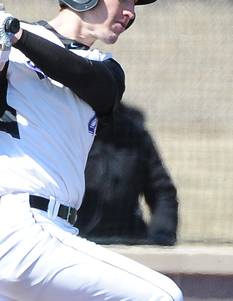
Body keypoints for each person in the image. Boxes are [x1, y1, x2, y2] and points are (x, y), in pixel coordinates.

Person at [0, 0, 186, 301]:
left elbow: (79, 74)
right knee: (163, 300)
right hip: (20, 228)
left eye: (133, 2)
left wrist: (15, 34)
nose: (130, 12)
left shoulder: (105, 69)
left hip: (46, 233)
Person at [77, 102, 179, 246]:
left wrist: (161, 236)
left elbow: (162, 192)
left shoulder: (134, 134)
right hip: (75, 243)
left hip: (128, 241)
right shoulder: (69, 130)